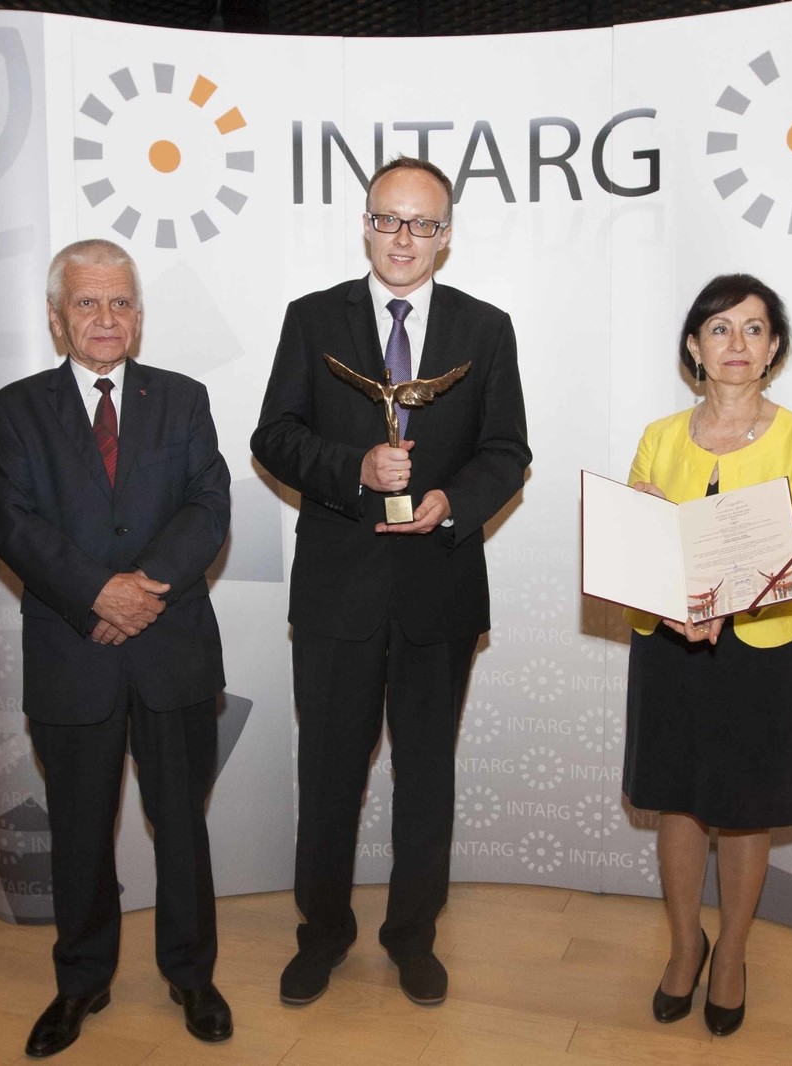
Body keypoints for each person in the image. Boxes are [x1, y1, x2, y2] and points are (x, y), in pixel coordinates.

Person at [250, 157, 530, 1007]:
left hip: (439, 590)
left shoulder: (486, 329)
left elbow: (507, 450)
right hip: (338, 593)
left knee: (427, 779)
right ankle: (322, 934)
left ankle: (413, 937)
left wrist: (453, 503)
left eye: (422, 223)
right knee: (329, 775)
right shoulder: (312, 319)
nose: (403, 238)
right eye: (388, 219)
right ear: (366, 224)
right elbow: (274, 436)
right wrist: (356, 468)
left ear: (446, 235)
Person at [0, 238, 234, 1055]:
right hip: (73, 649)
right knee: (81, 829)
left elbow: (209, 505)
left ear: (139, 316)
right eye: (87, 302)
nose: (105, 317)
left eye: (120, 302)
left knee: (182, 824)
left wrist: (140, 591)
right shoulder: (14, 410)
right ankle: (81, 982)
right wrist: (98, 593)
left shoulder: (183, 399)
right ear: (57, 318)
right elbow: (16, 526)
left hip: (171, 649)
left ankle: (192, 976)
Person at [622, 273, 792, 1038]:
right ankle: (686, 947)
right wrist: (665, 584)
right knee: (677, 799)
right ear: (694, 347)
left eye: (753, 328)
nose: (736, 342)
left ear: (773, 349)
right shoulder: (658, 436)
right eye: (719, 328)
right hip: (668, 643)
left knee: (744, 810)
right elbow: (637, 540)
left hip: (759, 647)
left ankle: (732, 955)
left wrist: (718, 604)